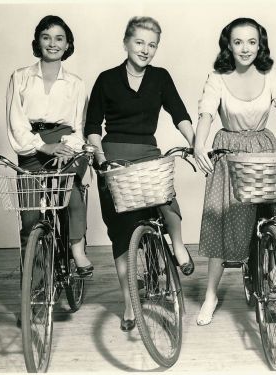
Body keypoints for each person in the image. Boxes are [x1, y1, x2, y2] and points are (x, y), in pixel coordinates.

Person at [84, 16, 195, 332]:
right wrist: (103, 160)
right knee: (121, 233)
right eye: (140, 42)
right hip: (113, 155)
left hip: (147, 152)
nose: (146, 49)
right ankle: (129, 301)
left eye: (152, 44)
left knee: (166, 199)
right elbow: (92, 127)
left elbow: (180, 114)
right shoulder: (107, 79)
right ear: (126, 42)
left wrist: (195, 143)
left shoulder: (160, 77)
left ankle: (177, 245)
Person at [194, 17, 276, 326]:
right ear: (228, 44)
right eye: (239, 42)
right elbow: (205, 112)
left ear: (260, 44)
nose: (245, 48)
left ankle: (267, 284)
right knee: (220, 217)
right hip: (229, 151)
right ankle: (211, 295)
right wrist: (199, 145)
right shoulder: (217, 76)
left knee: (267, 218)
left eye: (252, 42)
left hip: (263, 149)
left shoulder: (271, 75)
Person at [6, 15, 93, 281]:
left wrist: (65, 148)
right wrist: (43, 146)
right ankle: (34, 289)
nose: (52, 44)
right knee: (30, 222)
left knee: (72, 196)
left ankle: (76, 248)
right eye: (46, 37)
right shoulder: (20, 77)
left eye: (59, 38)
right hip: (32, 147)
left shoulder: (76, 83)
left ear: (68, 44)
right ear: (37, 42)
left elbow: (80, 125)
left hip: (66, 144)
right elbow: (16, 121)